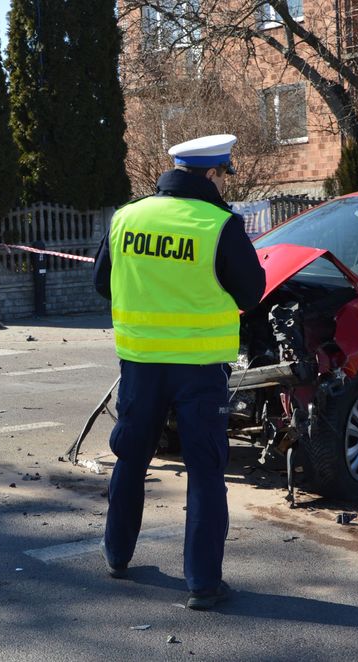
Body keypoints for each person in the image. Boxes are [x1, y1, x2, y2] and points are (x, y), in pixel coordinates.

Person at [92, 134, 265, 610]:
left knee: (131, 458)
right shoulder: (219, 225)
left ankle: (117, 554)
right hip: (199, 369)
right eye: (222, 175)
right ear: (211, 174)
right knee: (205, 471)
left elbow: (101, 284)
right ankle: (203, 583)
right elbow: (251, 294)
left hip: (140, 365)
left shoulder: (125, 217)